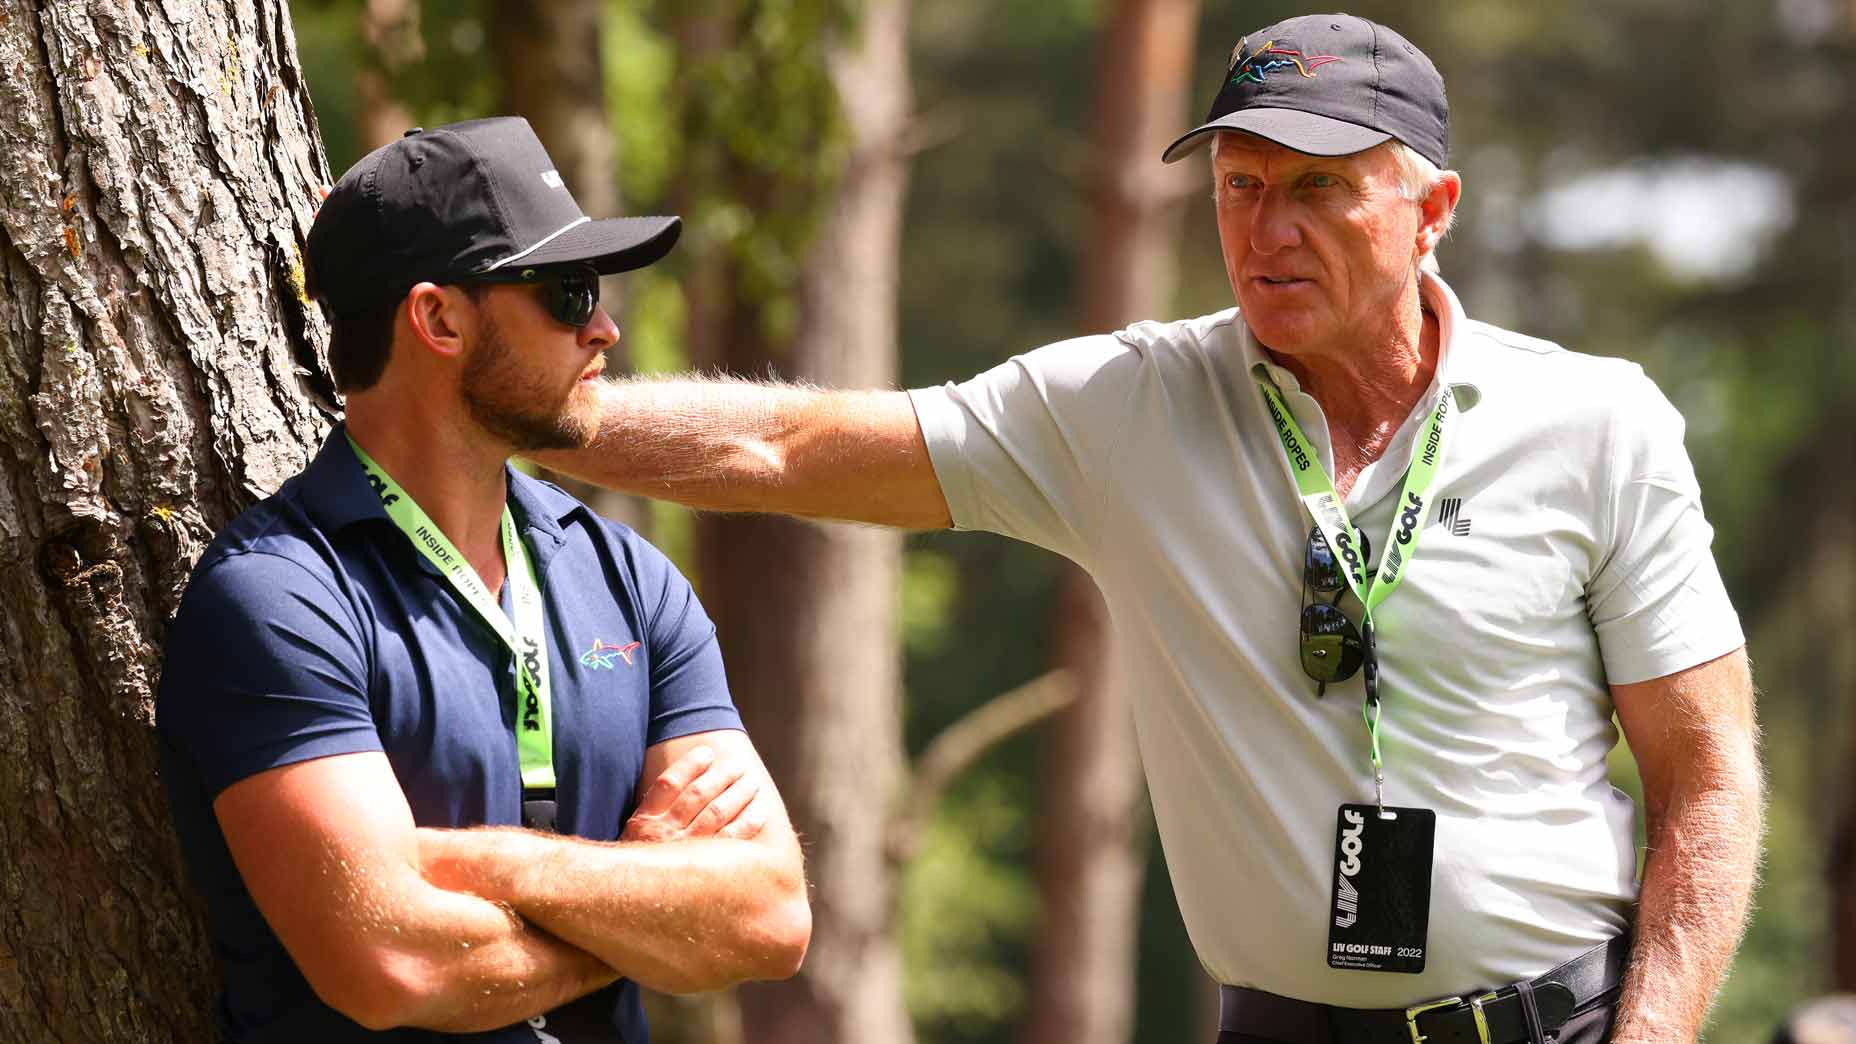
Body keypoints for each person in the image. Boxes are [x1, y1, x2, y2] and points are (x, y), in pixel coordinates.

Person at [539, 14, 1764, 1044]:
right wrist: (524, 416)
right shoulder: (1127, 405)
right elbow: (788, 446)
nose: (1264, 231)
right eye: (1240, 186)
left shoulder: (1595, 423)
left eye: (1319, 188)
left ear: (1428, 206)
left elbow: (1703, 777)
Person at [156, 116, 810, 1044]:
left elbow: (770, 915)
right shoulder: (277, 599)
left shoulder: (630, 577)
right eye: (568, 292)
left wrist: (496, 868)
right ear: (439, 319)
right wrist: (644, 904)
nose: (606, 327)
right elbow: (392, 965)